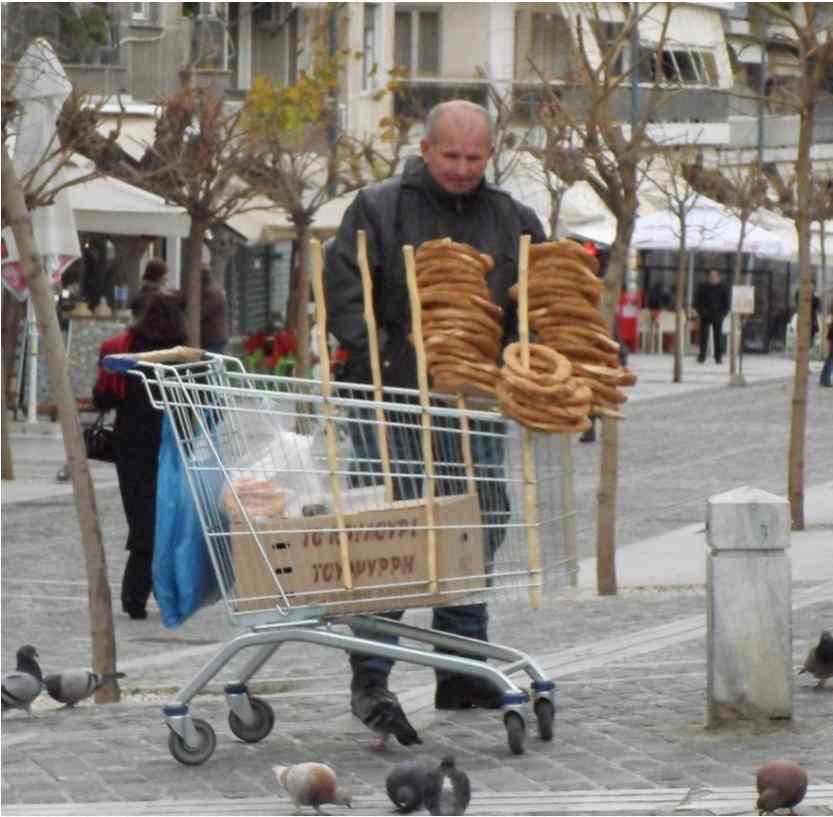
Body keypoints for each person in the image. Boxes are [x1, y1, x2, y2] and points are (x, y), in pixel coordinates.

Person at [324, 99, 546, 716]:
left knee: (476, 518)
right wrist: (393, 356)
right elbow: (346, 293)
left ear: (491, 155)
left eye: (475, 157)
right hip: (389, 398)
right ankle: (371, 672)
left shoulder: (514, 219)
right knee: (387, 530)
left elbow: (535, 304)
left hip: (473, 401)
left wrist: (514, 363)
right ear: (425, 149)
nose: (462, 167)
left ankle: (462, 664)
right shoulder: (377, 208)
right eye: (451, 155)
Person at [93, 292, 187, 620]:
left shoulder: (125, 349)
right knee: (167, 519)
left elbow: (103, 397)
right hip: (173, 444)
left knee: (142, 519)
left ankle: (136, 595)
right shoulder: (183, 354)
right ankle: (161, 592)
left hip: (131, 444)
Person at [694, 268, 730, 364]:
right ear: (708, 277)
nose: (713, 278)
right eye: (711, 276)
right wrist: (700, 311)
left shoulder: (723, 287)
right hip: (705, 315)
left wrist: (723, 313)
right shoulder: (702, 286)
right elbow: (697, 301)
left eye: (715, 276)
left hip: (718, 315)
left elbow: (726, 302)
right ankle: (702, 356)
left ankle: (718, 357)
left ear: (718, 277)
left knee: (718, 337)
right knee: (703, 337)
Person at [200, 266, 229, 354]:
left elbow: (203, 312)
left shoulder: (211, 292)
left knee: (212, 362)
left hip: (213, 337)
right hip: (214, 336)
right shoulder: (212, 287)